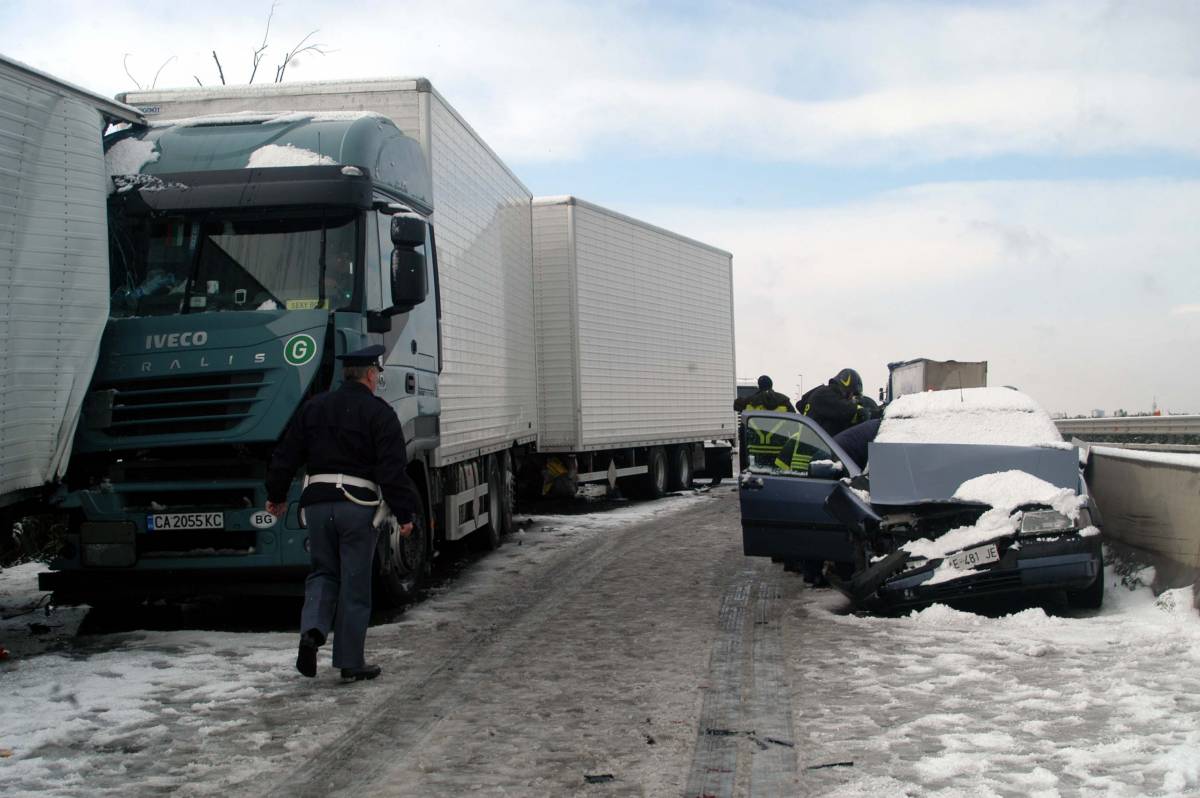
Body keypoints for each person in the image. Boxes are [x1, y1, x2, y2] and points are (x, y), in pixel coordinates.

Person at [264, 344, 417, 682]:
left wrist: (275, 496)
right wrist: (405, 515)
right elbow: (392, 471)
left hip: (317, 505)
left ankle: (313, 630)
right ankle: (350, 661)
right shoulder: (379, 413)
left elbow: (286, 455)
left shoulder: (313, 409)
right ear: (371, 375)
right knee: (354, 582)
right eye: (377, 374)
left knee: (322, 572)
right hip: (357, 506)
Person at [734, 375, 795, 468]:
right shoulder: (784, 401)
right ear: (771, 385)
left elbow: (736, 405)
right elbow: (794, 423)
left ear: (759, 385)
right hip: (779, 450)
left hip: (756, 450)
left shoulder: (750, 402)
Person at [799, 368, 867, 437]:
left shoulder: (827, 398)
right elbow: (846, 409)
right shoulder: (825, 394)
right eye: (853, 394)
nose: (852, 398)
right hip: (810, 444)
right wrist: (860, 409)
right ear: (847, 388)